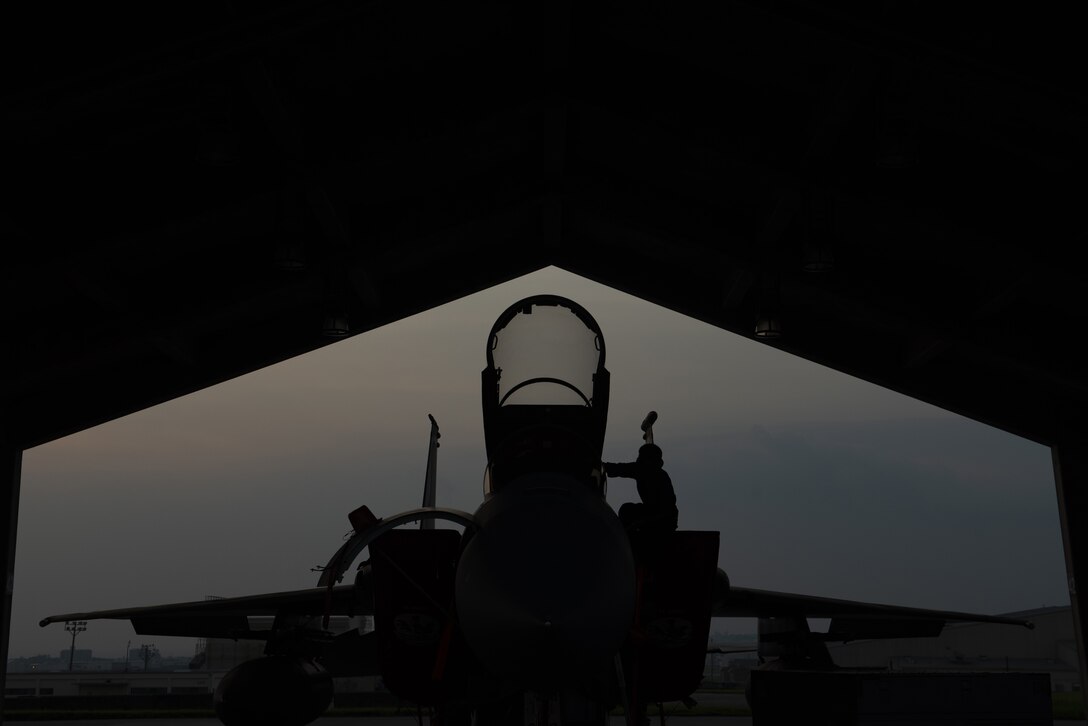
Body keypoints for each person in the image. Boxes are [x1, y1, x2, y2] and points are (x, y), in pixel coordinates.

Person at [604, 443, 678, 535]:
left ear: (649, 459)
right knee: (626, 509)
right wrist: (602, 466)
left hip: (664, 520)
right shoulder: (640, 469)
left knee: (627, 511)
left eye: (641, 457)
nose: (638, 459)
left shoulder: (661, 477)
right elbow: (621, 468)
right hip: (652, 513)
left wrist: (643, 522)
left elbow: (667, 508)